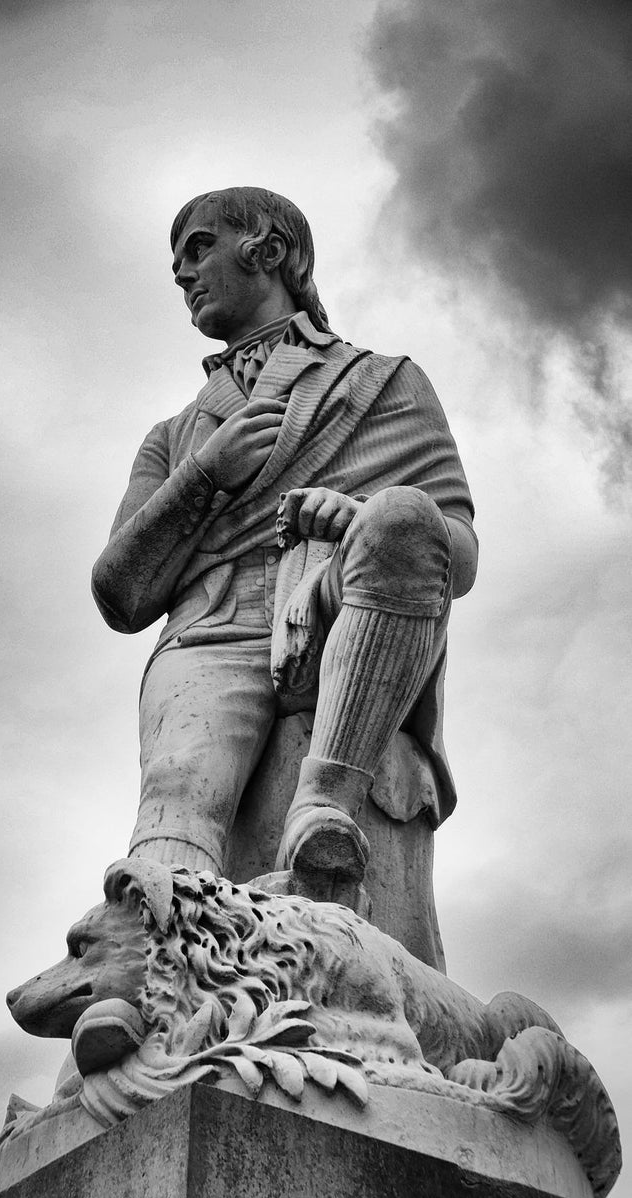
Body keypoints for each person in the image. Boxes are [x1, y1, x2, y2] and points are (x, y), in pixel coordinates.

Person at [92, 186, 477, 948]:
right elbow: (120, 592)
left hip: (339, 617)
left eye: (198, 247)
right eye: (176, 262)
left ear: (268, 250)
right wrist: (201, 476)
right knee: (177, 798)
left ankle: (325, 806)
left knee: (404, 515)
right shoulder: (172, 438)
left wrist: (362, 516)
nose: (182, 273)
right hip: (209, 633)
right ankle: (155, 987)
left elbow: (454, 553)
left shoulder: (383, 381)